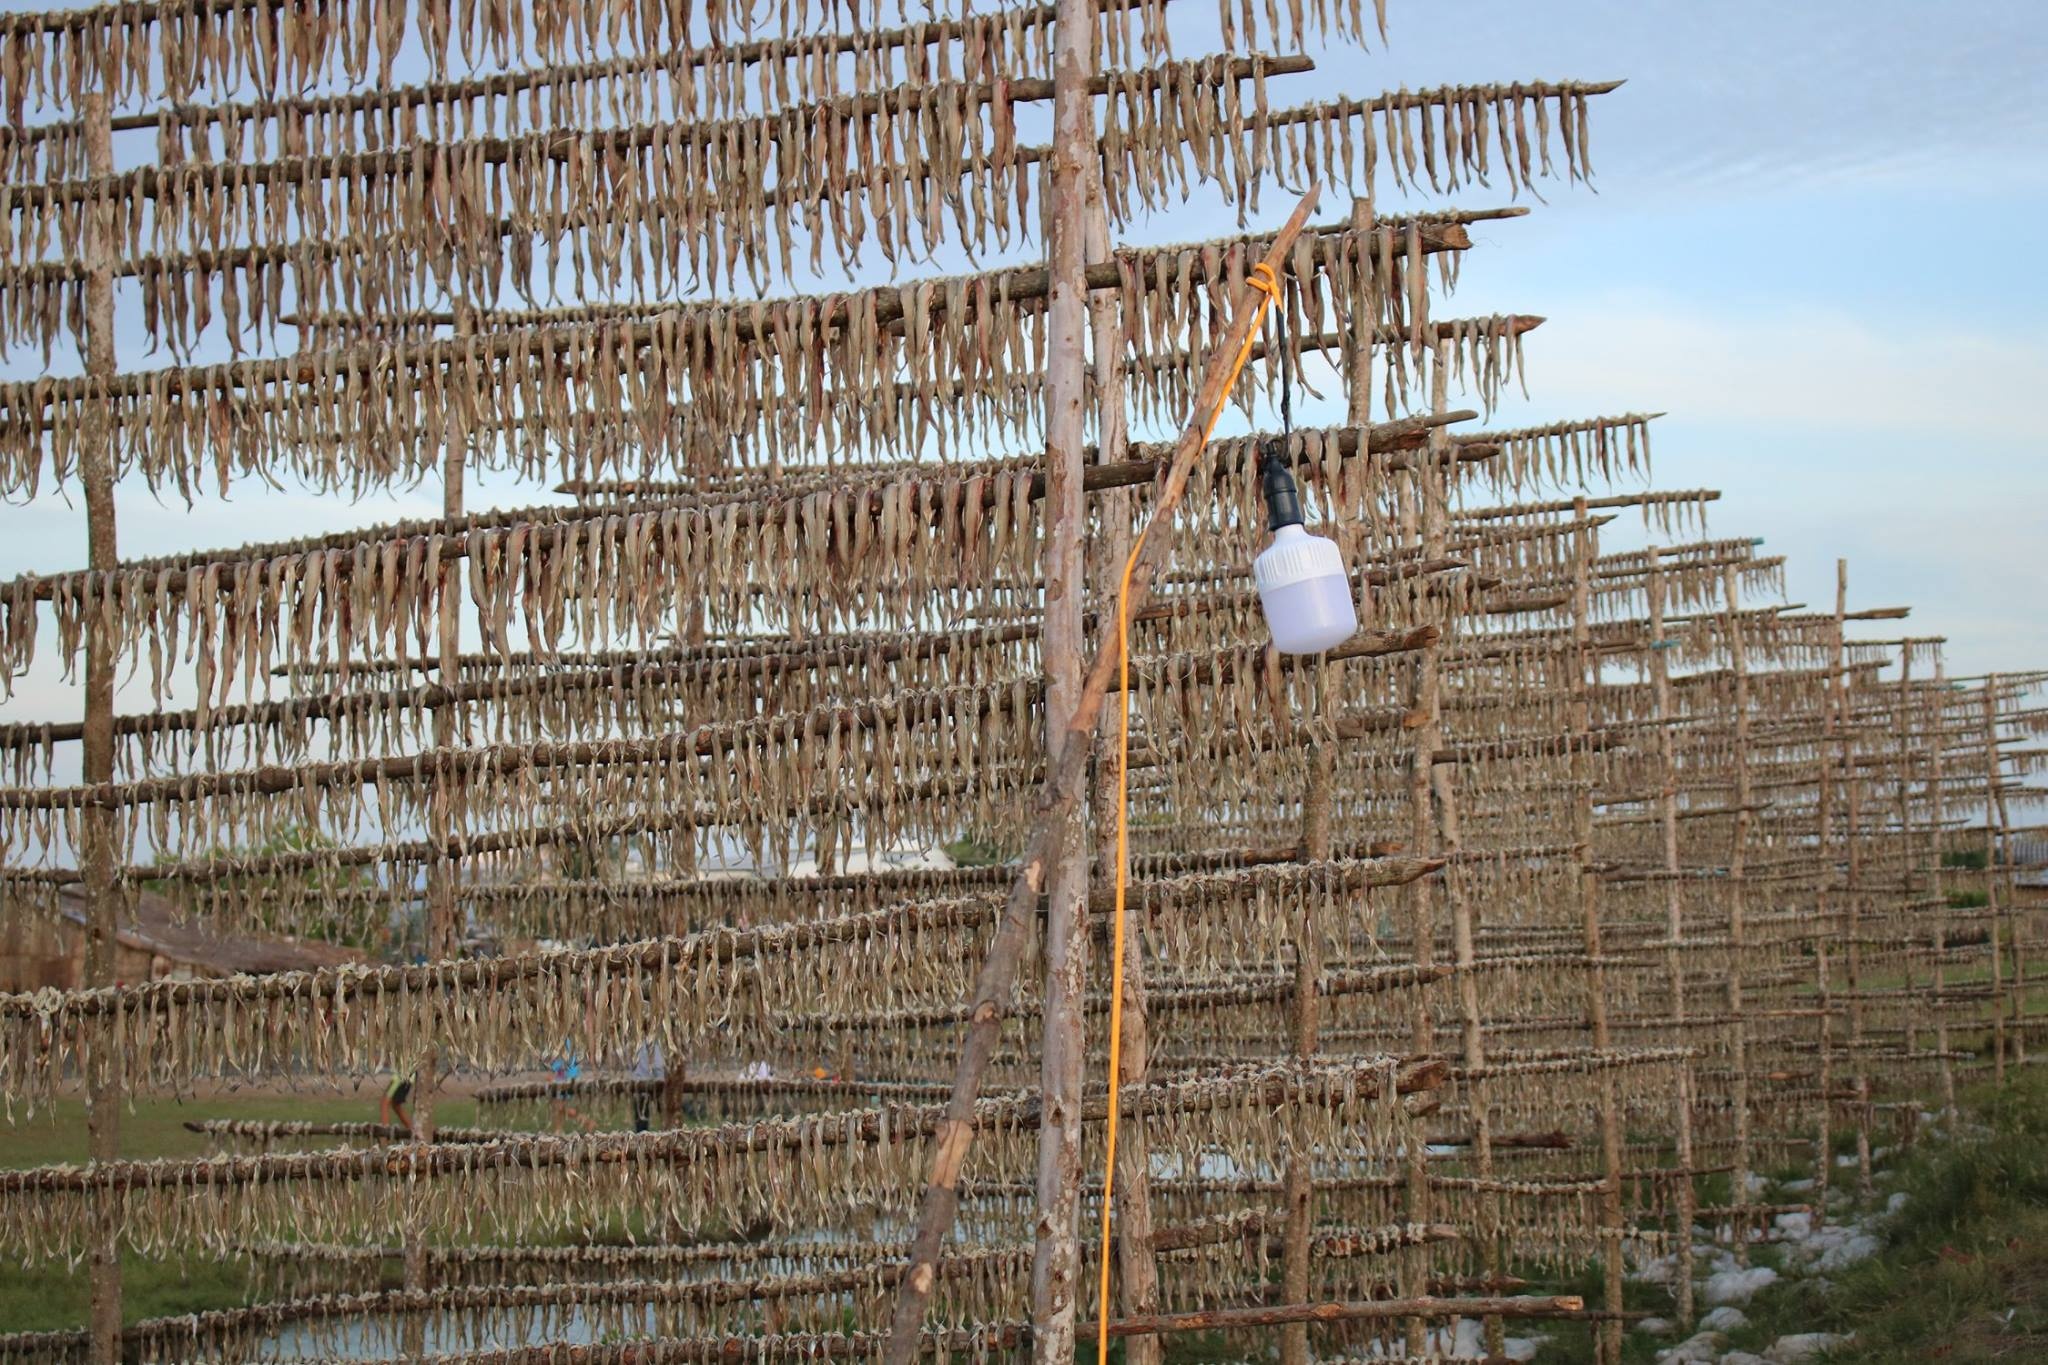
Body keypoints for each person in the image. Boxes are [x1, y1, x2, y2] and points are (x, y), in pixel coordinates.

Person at [547, 1037, 597, 1134]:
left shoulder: (560, 1040)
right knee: (559, 1107)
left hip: (564, 1077)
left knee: (559, 1107)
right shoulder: (568, 1039)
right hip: (568, 1075)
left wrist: (555, 1076)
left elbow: (562, 1062)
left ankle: (587, 1122)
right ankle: (558, 1130)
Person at [628, 1038, 666, 1132]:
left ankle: (643, 1135)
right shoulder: (653, 1042)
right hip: (649, 1083)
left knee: (641, 1116)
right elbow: (658, 1065)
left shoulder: (635, 1042)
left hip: (640, 1082)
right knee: (659, 1113)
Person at [380, 1065, 416, 1132]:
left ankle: (384, 1137)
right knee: (396, 1105)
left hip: (402, 1076)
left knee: (385, 1103)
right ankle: (414, 1132)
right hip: (404, 1075)